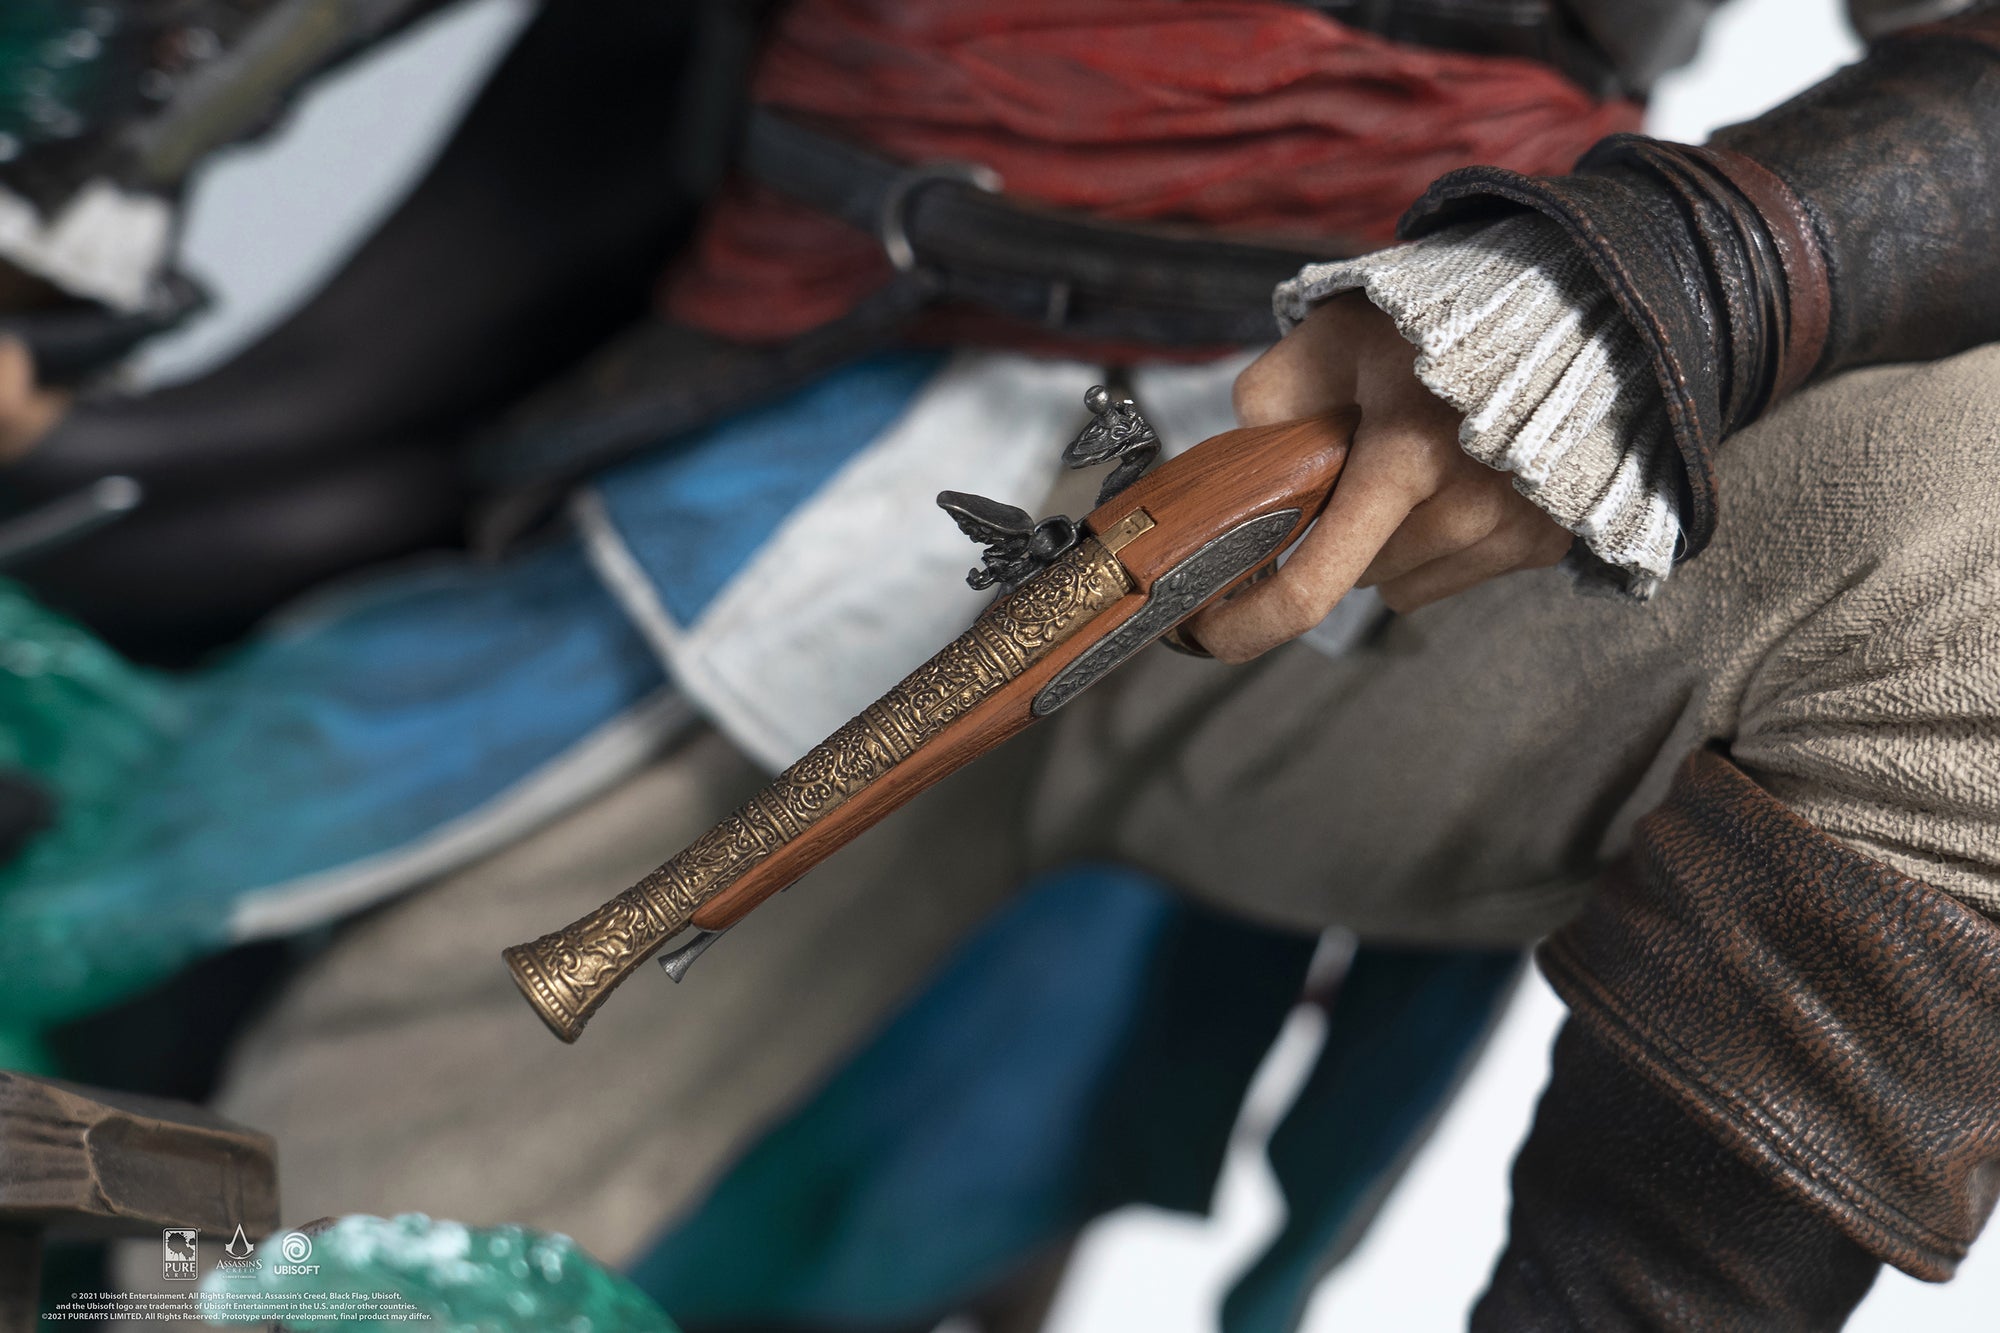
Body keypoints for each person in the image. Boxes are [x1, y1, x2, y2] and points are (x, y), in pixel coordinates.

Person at [1, 1, 1996, 1328]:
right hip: (800, 486)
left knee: (1974, 545)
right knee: (295, 1260)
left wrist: (1667, 279)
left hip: (1422, 474)